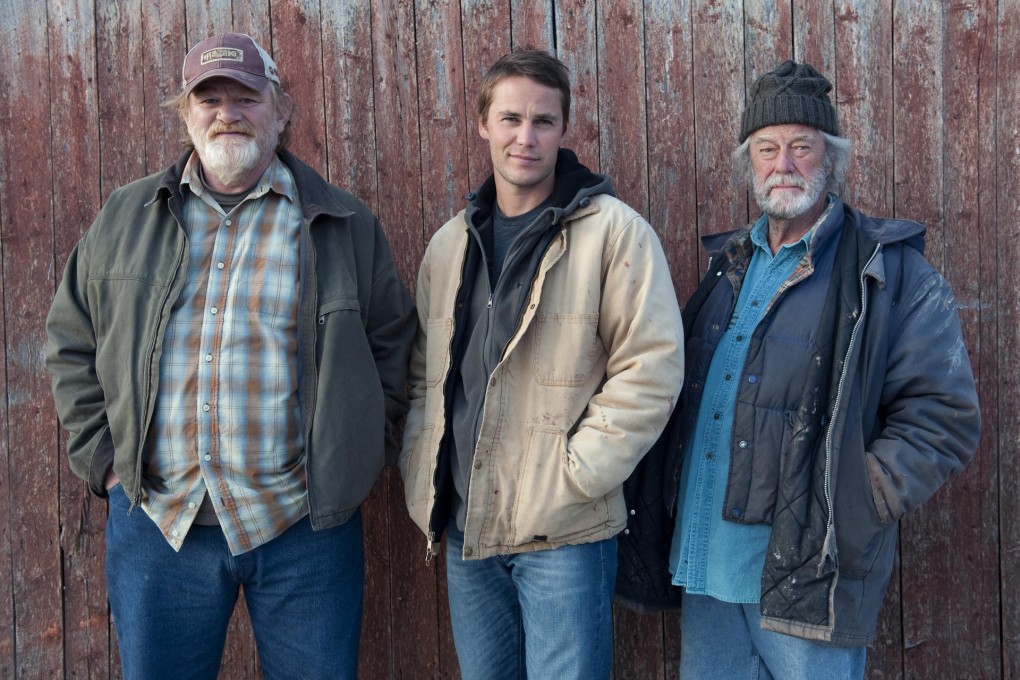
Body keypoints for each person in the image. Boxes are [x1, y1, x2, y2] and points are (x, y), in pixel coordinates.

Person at [44, 32, 415, 680]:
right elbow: (71, 340)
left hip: (302, 527)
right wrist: (104, 462)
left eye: (245, 97)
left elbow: (394, 348)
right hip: (161, 523)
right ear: (184, 112)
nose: (226, 113)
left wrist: (356, 456)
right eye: (207, 98)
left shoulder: (342, 223)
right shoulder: (126, 218)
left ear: (281, 110)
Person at [662, 60, 980, 678]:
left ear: (830, 159)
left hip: (814, 574)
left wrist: (852, 504)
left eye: (801, 147)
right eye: (767, 148)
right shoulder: (727, 268)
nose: (783, 164)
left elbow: (943, 417)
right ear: (749, 162)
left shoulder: (890, 274)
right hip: (705, 565)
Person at [398, 48, 684, 679]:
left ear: (564, 128)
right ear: (483, 124)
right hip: (466, 529)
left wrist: (574, 476)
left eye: (543, 122)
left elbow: (652, 368)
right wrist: (424, 465)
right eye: (510, 119)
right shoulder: (450, 244)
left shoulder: (614, 232)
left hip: (565, 532)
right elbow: (426, 377)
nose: (525, 138)